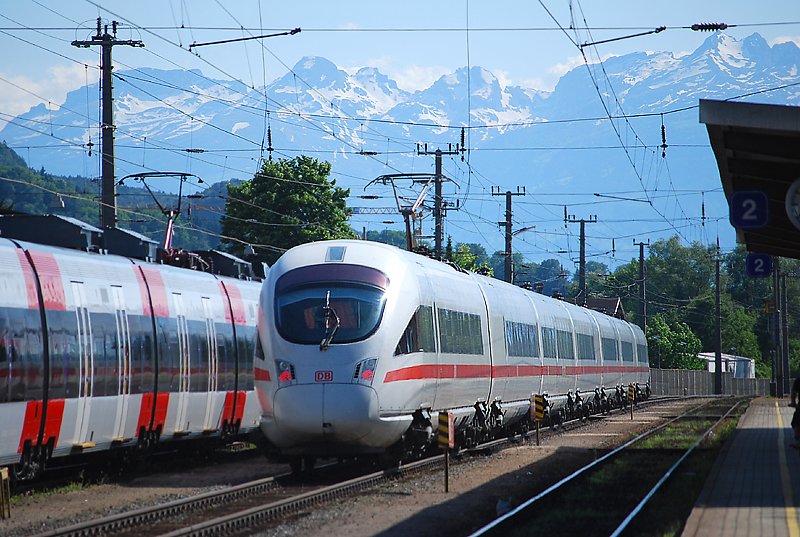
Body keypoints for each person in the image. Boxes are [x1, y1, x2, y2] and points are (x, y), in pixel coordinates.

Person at [791, 376, 800, 448]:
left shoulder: (798, 380)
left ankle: (798, 441)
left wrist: (793, 403)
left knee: (796, 422)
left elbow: (794, 393)